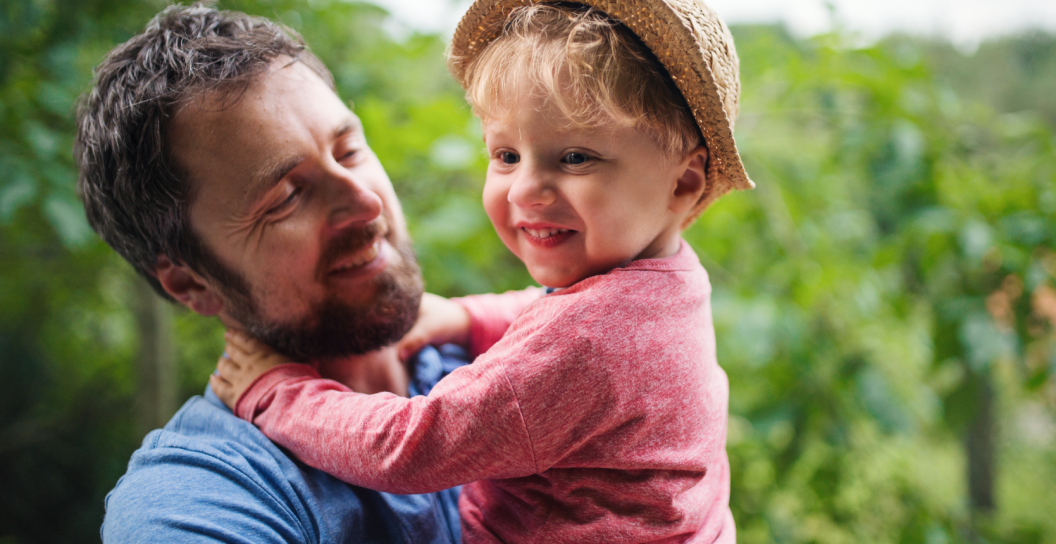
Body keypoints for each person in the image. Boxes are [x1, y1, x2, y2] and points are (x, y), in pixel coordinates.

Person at [213, 1, 754, 542]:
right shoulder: (669, 278)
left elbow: (407, 449)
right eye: (507, 155)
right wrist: (465, 318)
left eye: (574, 158)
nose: (523, 190)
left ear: (683, 183)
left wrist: (275, 391)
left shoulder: (585, 341)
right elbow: (548, 311)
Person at [74, 4, 511, 542]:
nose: (366, 202)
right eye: (285, 197)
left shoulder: (503, 361)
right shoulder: (207, 495)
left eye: (349, 151)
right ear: (191, 282)